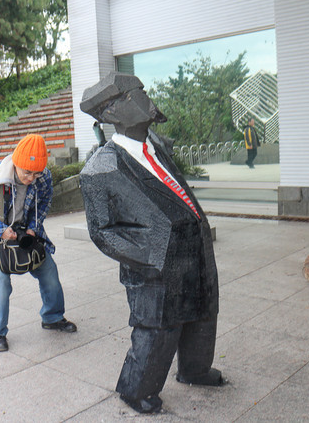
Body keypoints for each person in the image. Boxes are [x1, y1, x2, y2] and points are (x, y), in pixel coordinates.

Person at [79, 72, 223, 414]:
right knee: (158, 328)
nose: (145, 98)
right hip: (154, 267)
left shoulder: (158, 147)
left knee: (203, 313)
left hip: (196, 250)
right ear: (112, 114)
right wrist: (153, 256)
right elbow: (103, 232)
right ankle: (136, 388)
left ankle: (194, 369)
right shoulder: (101, 169)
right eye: (134, 94)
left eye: (141, 90)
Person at [0, 133, 77, 353]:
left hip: (25, 229)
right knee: (0, 280)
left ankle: (53, 317)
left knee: (49, 271)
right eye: (27, 172)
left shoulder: (43, 177)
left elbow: (46, 201)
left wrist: (33, 227)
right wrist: (1, 230)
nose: (31, 178)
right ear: (16, 163)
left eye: (36, 174)